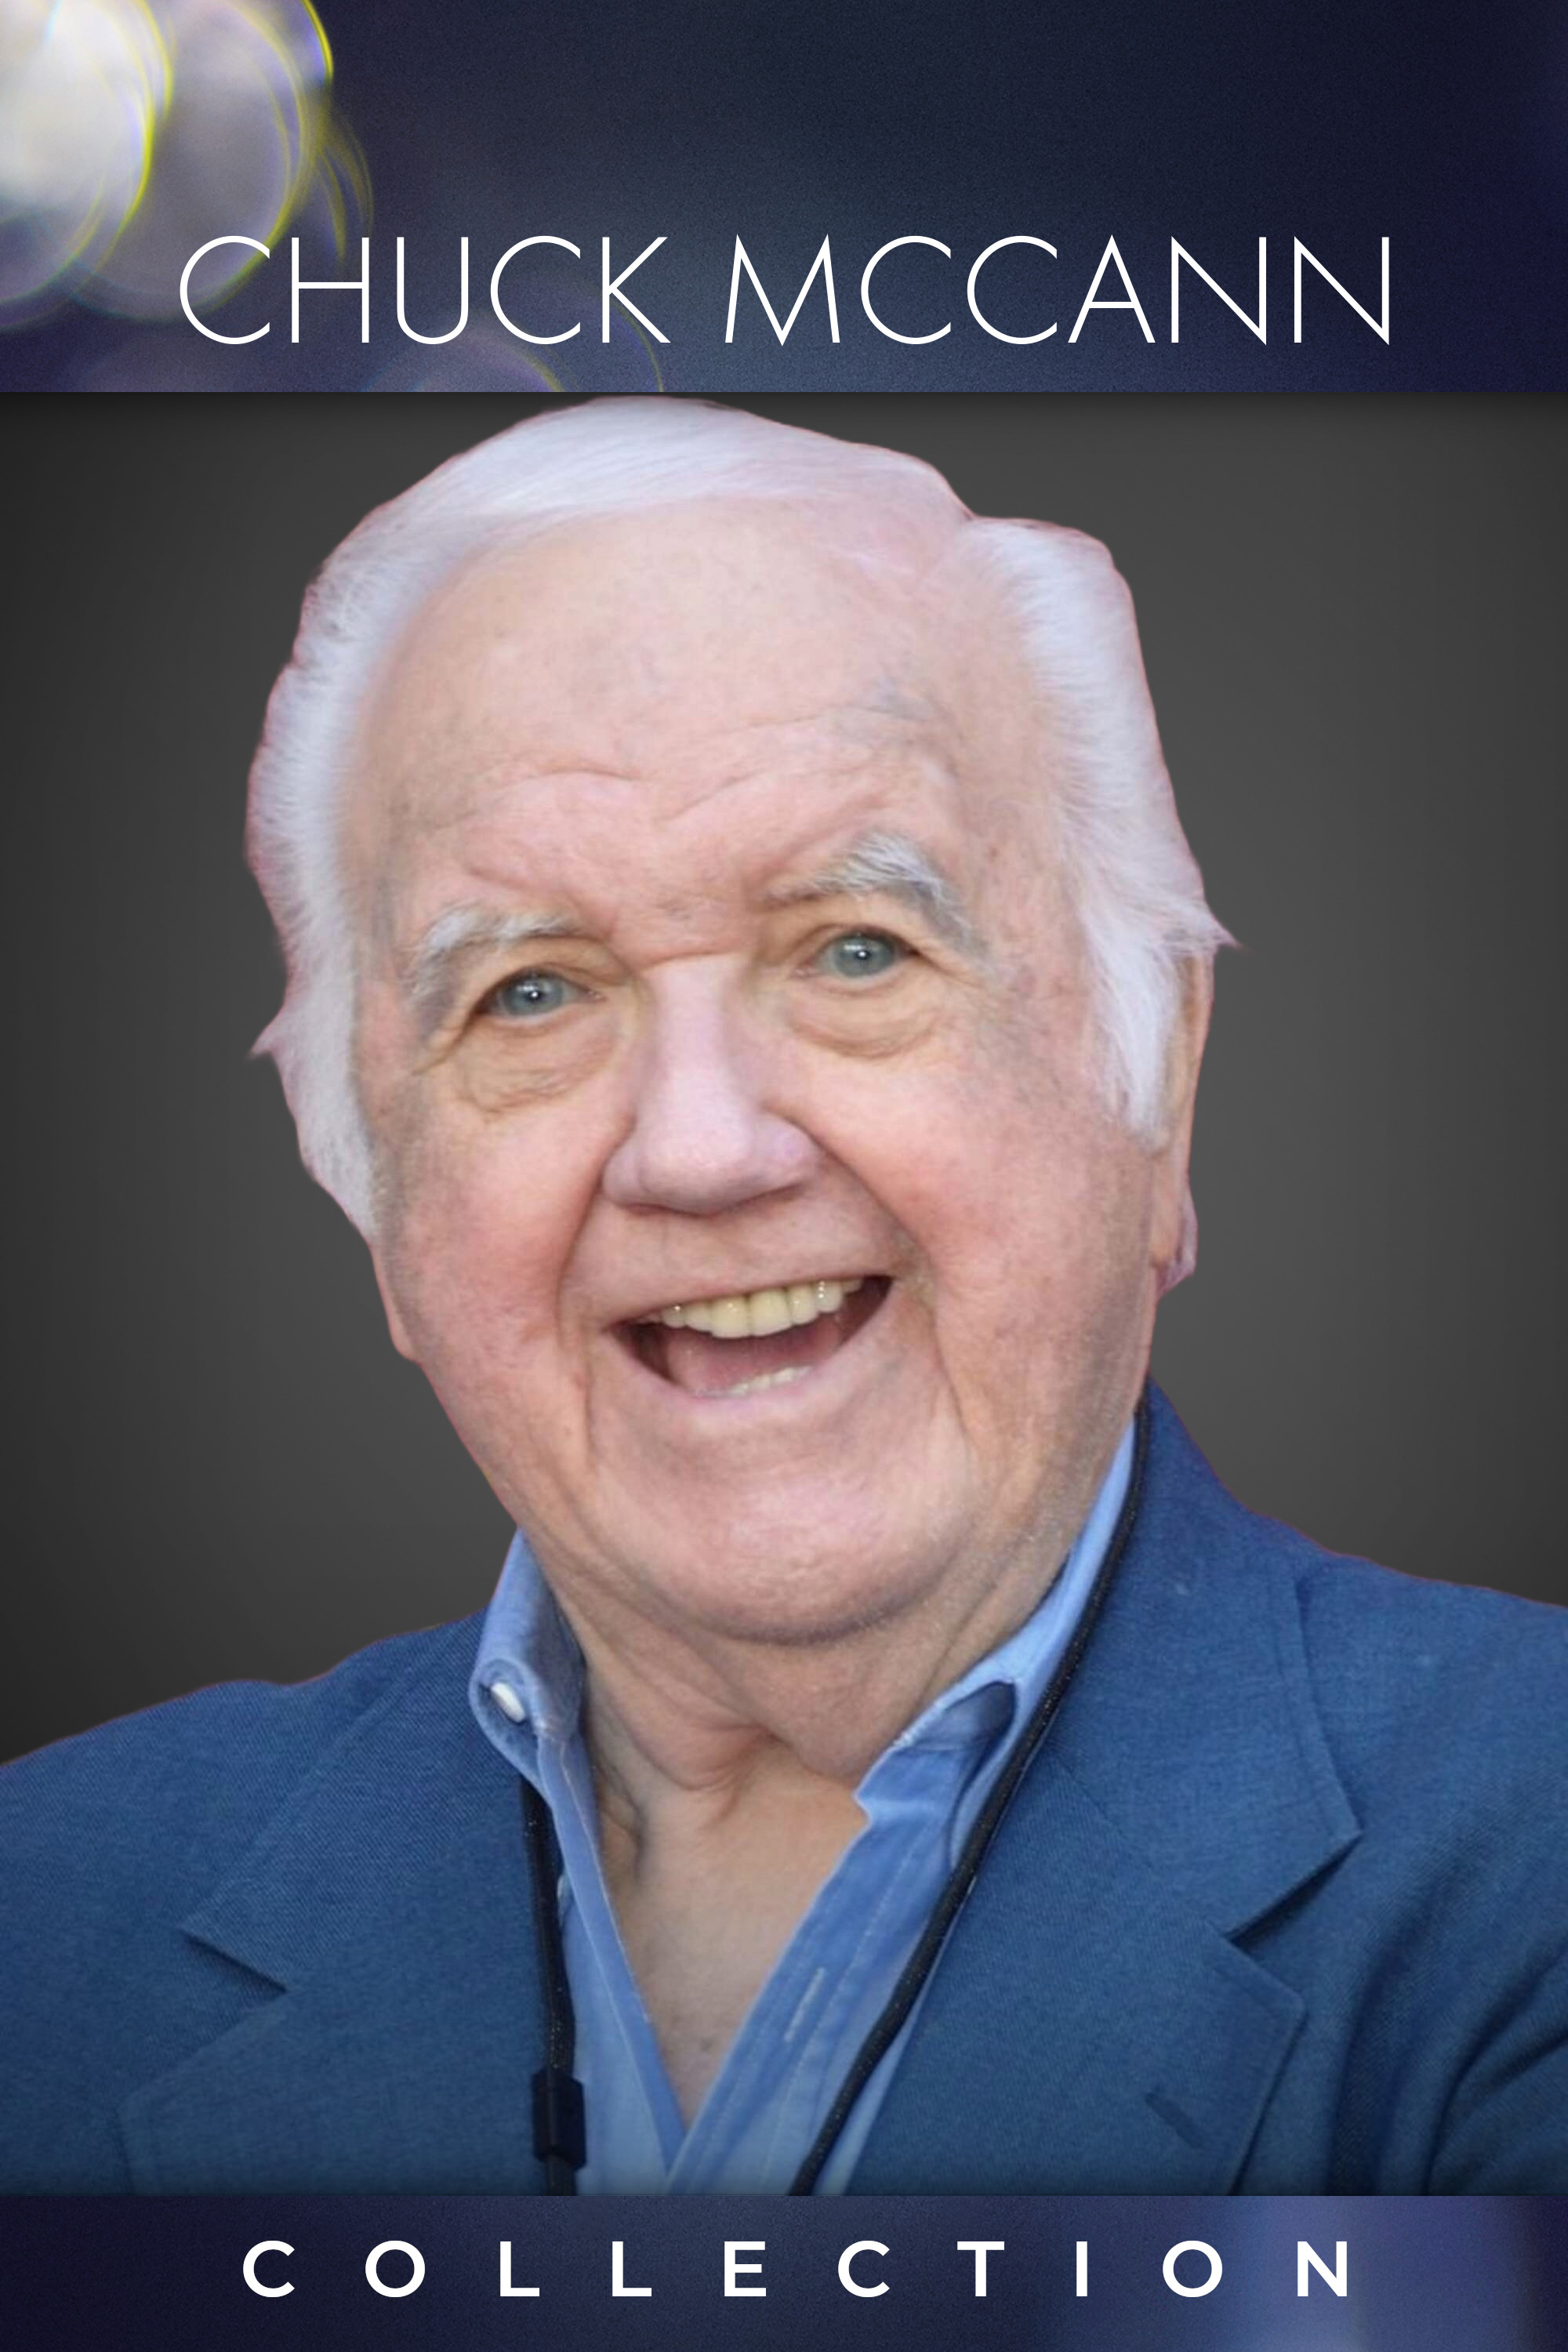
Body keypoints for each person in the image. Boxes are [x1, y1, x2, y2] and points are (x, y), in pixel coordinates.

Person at [2, 399, 1564, 2195]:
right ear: (374, 1187)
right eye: (529, 994)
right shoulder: (43, 1916)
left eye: (856, 950)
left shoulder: (1530, 1847)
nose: (700, 1147)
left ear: (1159, 1090)